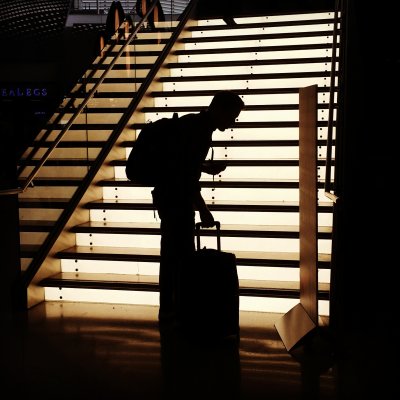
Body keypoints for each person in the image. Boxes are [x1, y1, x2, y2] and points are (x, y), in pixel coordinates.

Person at [151, 90, 245, 327]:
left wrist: (203, 167)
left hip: (167, 197)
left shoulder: (192, 123)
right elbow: (184, 176)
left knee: (172, 255)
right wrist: (202, 208)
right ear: (220, 110)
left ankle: (172, 309)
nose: (233, 122)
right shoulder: (201, 132)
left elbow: (180, 163)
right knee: (178, 257)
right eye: (232, 116)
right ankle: (175, 311)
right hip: (176, 201)